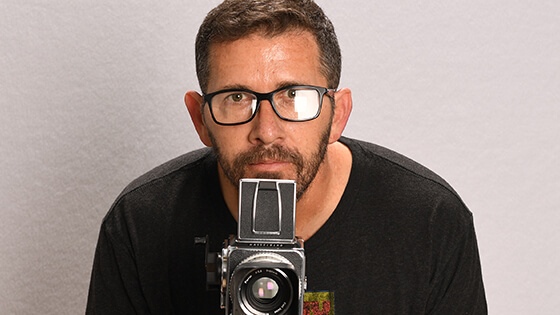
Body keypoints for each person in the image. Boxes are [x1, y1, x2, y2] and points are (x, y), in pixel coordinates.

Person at [86, 0, 487, 314]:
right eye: (236, 98)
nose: (266, 130)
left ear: (337, 115)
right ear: (200, 118)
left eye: (293, 96)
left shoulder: (428, 222)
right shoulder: (141, 224)